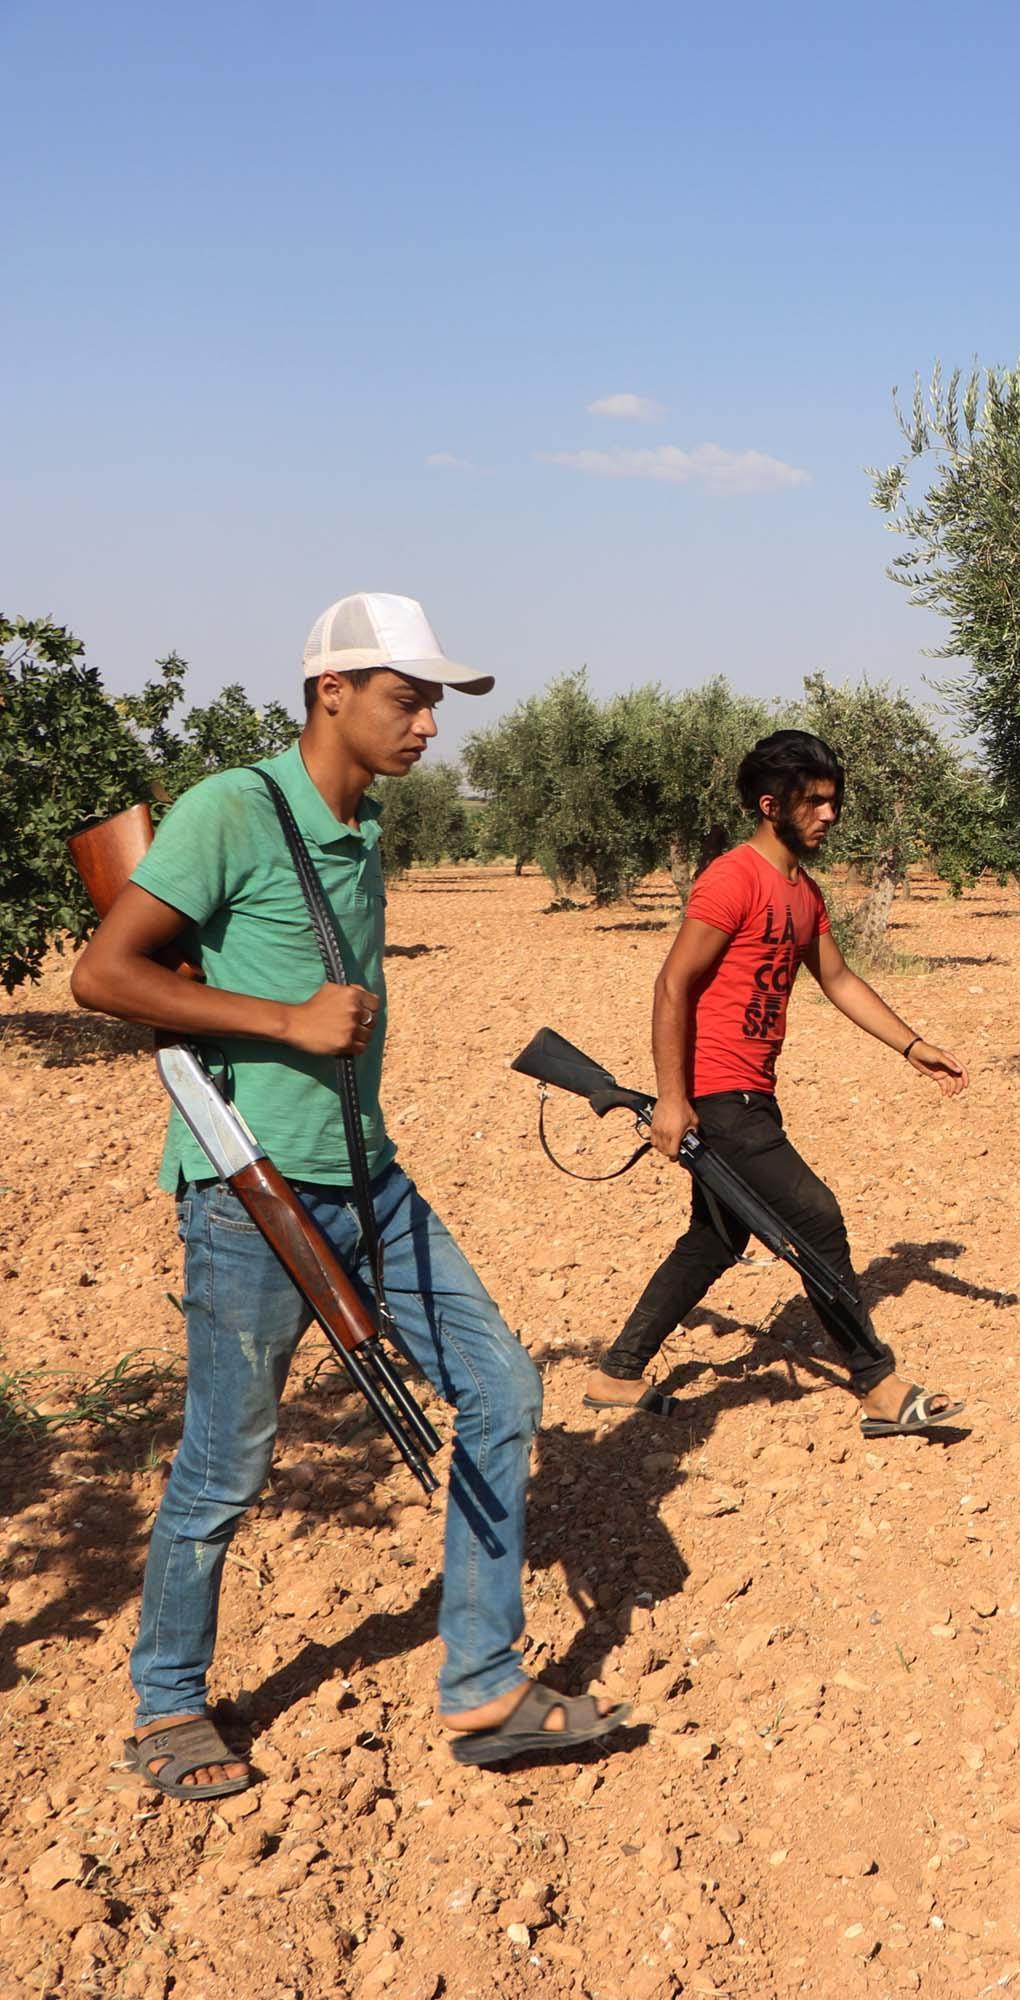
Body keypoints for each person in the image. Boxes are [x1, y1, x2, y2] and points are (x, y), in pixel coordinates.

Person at [74, 592, 625, 1797]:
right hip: (250, 1189)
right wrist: (284, 1020)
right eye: (408, 697)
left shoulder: (362, 822)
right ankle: (169, 1705)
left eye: (433, 702)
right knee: (228, 1459)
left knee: (501, 1388)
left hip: (369, 1177)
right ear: (332, 690)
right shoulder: (233, 806)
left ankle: (483, 1681)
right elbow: (102, 972)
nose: (429, 722)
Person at [585, 728, 969, 1437]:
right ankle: (878, 1385)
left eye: (833, 800)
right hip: (718, 1094)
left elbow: (838, 979)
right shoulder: (733, 879)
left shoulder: (803, 893)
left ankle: (618, 1371)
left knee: (715, 1238)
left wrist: (912, 1046)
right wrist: (672, 1097)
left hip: (752, 1092)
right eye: (814, 802)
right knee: (815, 1218)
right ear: (771, 805)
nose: (829, 814)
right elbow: (672, 984)